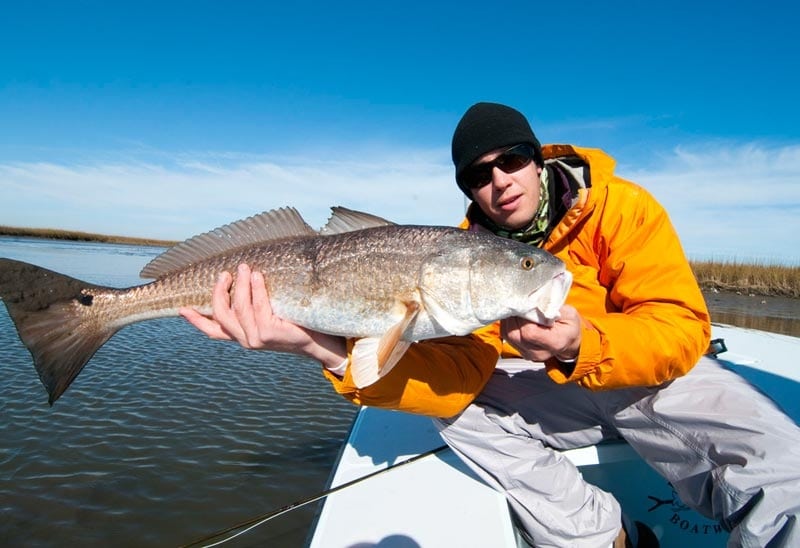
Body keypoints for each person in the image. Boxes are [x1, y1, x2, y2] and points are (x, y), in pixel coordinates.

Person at [180, 102, 800, 547]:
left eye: (513, 159)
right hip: (550, 395)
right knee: (459, 414)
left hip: (646, 375)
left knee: (779, 462)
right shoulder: (462, 257)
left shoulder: (623, 207)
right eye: (479, 173)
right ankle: (602, 536)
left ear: (537, 159)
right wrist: (324, 352)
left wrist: (586, 340)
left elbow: (679, 326)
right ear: (470, 189)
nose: (500, 180)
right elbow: (455, 375)